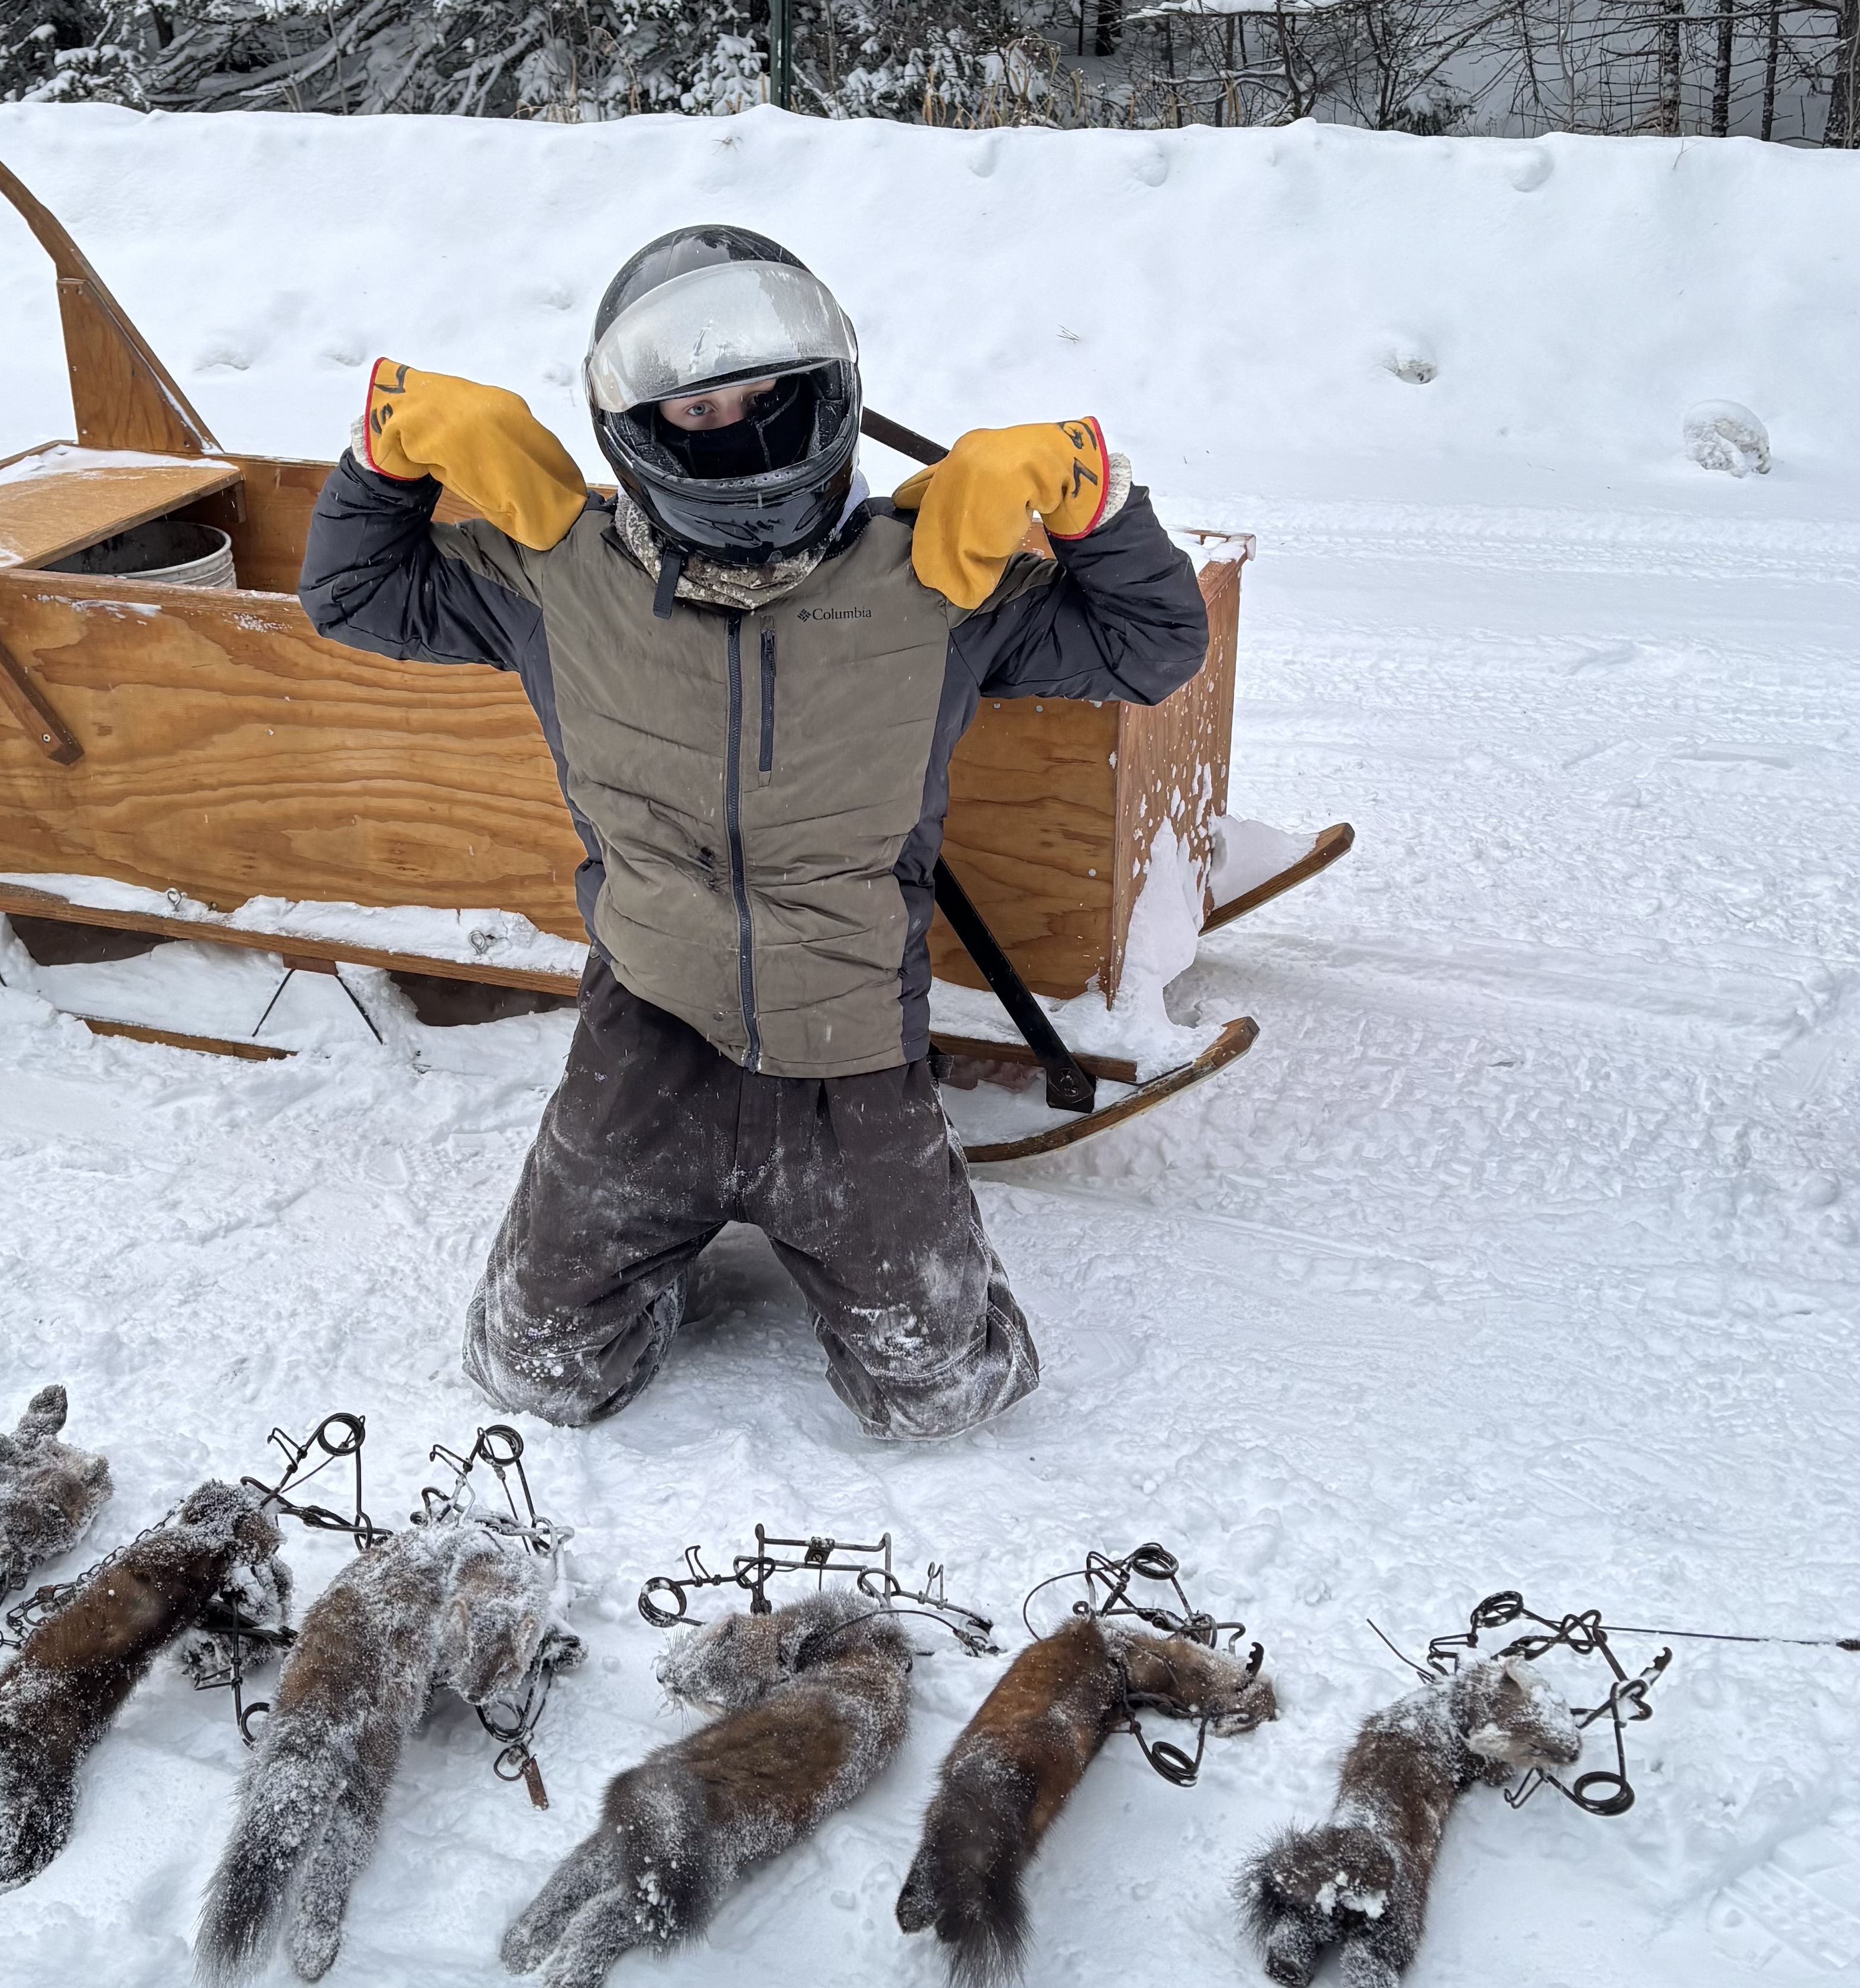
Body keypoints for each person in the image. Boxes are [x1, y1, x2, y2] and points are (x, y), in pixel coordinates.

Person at [299, 225, 1210, 1440]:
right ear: (642, 425)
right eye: (698, 407)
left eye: (764, 394)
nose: (735, 426)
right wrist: (386, 463)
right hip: (647, 1042)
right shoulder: (560, 574)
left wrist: (1093, 502)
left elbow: (1151, 646)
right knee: (539, 1374)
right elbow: (353, 594)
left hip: (851, 1052)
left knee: (940, 1393)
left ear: (821, 392)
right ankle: (666, 1254)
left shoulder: (933, 580)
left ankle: (865, 1210)